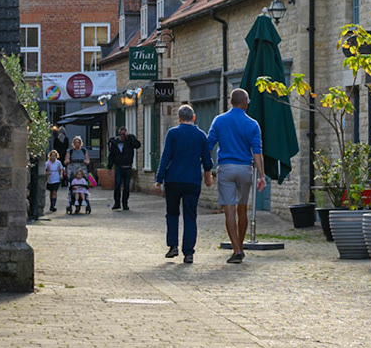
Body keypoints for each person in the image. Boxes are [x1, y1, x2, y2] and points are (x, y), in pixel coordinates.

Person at [207, 87, 266, 264]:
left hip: (226, 168)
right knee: (242, 208)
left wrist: (206, 169)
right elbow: (257, 152)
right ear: (246, 102)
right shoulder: (252, 124)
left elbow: (209, 145)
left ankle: (236, 249)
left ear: (231, 101)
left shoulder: (219, 120)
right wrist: (261, 176)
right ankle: (240, 246)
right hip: (245, 169)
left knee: (229, 210)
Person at [154, 104, 213, 263]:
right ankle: (189, 253)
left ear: (179, 118)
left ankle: (173, 246)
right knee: (190, 216)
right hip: (192, 181)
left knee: (172, 213)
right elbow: (207, 160)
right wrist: (208, 173)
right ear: (194, 117)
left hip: (173, 179)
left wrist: (159, 179)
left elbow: (165, 157)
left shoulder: (173, 133)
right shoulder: (201, 135)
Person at [109, 126, 141, 211]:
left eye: (124, 134)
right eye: (121, 134)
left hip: (127, 167)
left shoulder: (130, 141)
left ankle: (125, 203)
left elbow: (137, 145)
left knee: (126, 186)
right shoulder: (115, 142)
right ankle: (117, 203)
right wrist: (110, 165)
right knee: (117, 184)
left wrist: (130, 137)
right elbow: (112, 154)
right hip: (118, 167)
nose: (122, 136)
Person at [43, 146, 65, 214]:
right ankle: (51, 204)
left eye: (54, 155)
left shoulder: (58, 163)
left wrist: (61, 175)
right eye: (52, 155)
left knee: (54, 191)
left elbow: (61, 169)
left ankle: (53, 205)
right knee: (51, 192)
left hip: (56, 177)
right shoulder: (47, 163)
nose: (53, 157)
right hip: (50, 177)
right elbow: (45, 170)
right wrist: (47, 173)